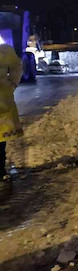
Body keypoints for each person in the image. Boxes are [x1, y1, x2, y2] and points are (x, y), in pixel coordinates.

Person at [0, 44, 23, 180]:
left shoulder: (5, 51)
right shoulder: (5, 51)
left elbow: (17, 66)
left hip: (2, 99)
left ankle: (0, 169)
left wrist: (13, 83)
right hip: (3, 98)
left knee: (1, 138)